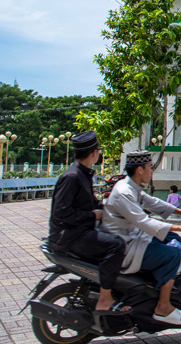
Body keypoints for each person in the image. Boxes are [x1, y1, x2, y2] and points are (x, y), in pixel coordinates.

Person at [101, 150, 181, 325]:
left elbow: (153, 203)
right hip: (126, 247)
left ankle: (155, 288)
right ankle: (163, 306)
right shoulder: (125, 192)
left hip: (133, 239)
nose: (151, 171)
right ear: (139, 170)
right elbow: (145, 222)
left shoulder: (132, 188)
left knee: (172, 238)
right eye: (149, 168)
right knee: (172, 255)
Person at [48, 131, 128, 312]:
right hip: (69, 236)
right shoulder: (73, 177)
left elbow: (92, 203)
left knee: (114, 235)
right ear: (93, 153)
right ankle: (105, 298)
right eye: (98, 150)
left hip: (76, 232)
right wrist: (94, 216)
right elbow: (61, 212)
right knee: (116, 245)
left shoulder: (83, 174)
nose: (98, 153)